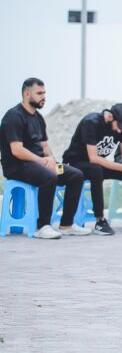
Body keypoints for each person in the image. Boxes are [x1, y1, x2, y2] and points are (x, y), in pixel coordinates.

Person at [0, 78, 90, 238]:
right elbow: (17, 150)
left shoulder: (38, 118)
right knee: (49, 177)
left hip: (40, 163)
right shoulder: (13, 117)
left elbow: (45, 146)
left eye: (44, 93)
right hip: (17, 166)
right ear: (27, 94)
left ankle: (67, 225)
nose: (43, 97)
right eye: (39, 93)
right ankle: (42, 226)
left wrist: (51, 159)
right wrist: (42, 161)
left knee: (75, 175)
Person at [62, 103, 122, 235]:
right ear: (110, 117)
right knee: (97, 170)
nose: (120, 131)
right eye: (120, 126)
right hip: (76, 163)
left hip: (98, 165)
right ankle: (100, 220)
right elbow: (93, 158)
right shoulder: (92, 122)